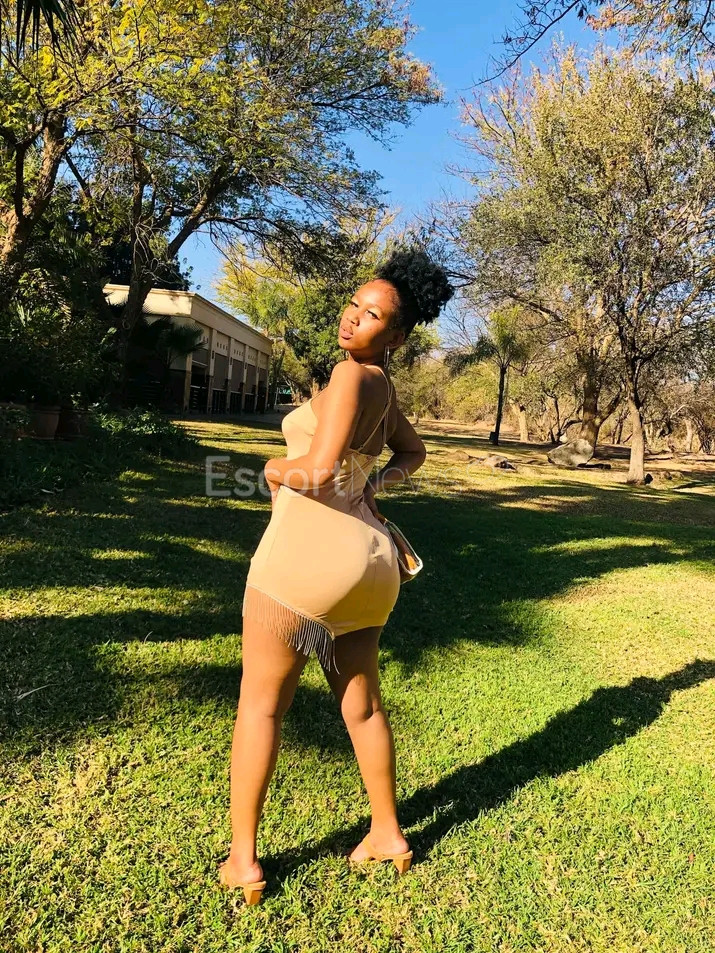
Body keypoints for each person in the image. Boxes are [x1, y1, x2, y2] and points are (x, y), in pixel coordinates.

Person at [219, 247, 454, 904]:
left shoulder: (352, 376)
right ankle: (387, 833)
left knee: (261, 704)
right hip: (370, 564)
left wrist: (271, 470)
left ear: (396, 336)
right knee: (363, 704)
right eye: (354, 304)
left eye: (372, 314)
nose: (353, 317)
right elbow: (413, 451)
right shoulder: (381, 387)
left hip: (308, 556)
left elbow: (317, 472)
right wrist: (375, 484)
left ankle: (243, 861)